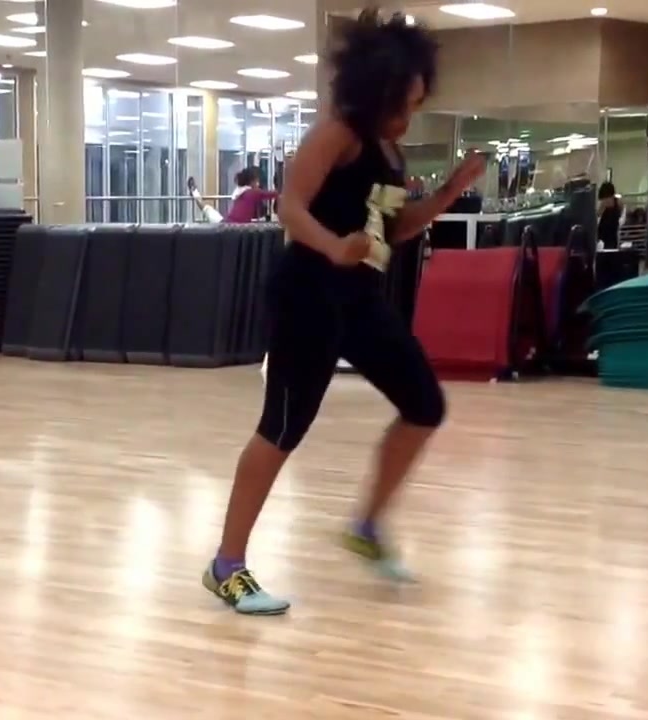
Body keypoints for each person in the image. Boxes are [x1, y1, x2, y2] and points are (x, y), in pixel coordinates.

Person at [202, 7, 487, 616]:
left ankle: (367, 526)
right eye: (404, 102)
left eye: (417, 103)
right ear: (375, 89)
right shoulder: (336, 134)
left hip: (359, 297)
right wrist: (334, 247)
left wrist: (448, 193)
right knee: (283, 427)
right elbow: (291, 208)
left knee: (424, 404)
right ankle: (226, 565)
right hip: (306, 293)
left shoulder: (388, 150)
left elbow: (393, 228)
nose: (409, 115)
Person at [188, 167, 278, 224]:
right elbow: (272, 194)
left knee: (207, 210)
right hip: (233, 226)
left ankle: (195, 193)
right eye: (257, 181)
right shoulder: (253, 192)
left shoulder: (240, 191)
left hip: (226, 222)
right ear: (252, 181)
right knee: (208, 210)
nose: (258, 184)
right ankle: (195, 193)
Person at [597, 180, 622, 249]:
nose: (607, 201)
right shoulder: (602, 205)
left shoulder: (618, 203)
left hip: (612, 237)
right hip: (603, 238)